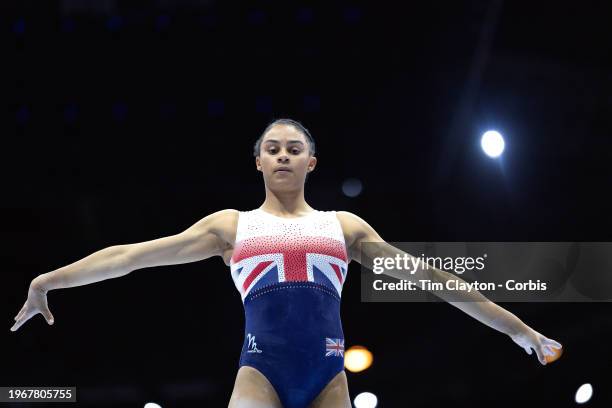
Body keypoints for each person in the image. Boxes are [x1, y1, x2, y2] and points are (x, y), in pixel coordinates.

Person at [11, 118, 562, 408]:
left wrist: (521, 331)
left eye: (293, 148)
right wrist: (46, 280)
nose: (282, 155)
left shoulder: (344, 228)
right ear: (258, 162)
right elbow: (131, 257)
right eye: (272, 148)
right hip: (261, 374)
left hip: (328, 378)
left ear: (311, 162)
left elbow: (437, 282)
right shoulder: (230, 226)